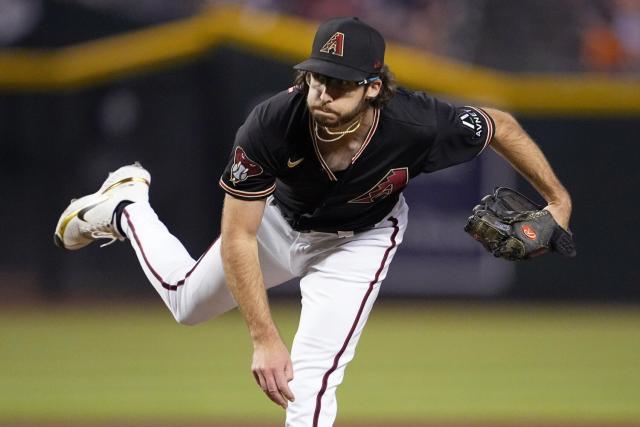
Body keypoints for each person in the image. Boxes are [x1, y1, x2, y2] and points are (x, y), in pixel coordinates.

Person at [54, 16, 572, 427]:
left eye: (340, 83)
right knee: (186, 305)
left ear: (373, 87)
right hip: (280, 223)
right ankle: (127, 206)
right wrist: (263, 336)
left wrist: (558, 202)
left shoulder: (416, 124)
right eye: (317, 77)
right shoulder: (272, 124)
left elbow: (499, 126)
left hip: (363, 239)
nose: (323, 92)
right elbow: (239, 235)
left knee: (312, 378)